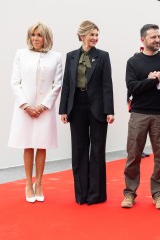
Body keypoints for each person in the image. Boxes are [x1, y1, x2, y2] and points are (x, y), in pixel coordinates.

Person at [59, 20, 114, 205]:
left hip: (98, 108)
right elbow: (67, 84)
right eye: (92, 35)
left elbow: (107, 85)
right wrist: (63, 110)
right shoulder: (71, 56)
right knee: (79, 150)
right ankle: (81, 194)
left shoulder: (103, 56)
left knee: (97, 150)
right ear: (82, 35)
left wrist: (109, 110)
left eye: (97, 35)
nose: (95, 38)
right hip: (77, 106)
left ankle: (96, 195)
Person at [8, 22, 63, 203]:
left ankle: (39, 183)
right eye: (33, 35)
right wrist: (25, 105)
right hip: (25, 109)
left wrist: (42, 106)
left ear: (46, 37)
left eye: (39, 35)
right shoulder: (21, 54)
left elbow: (57, 85)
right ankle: (28, 184)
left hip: (44, 110)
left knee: (42, 145)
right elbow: (15, 82)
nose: (36, 38)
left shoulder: (56, 57)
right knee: (27, 145)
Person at [121, 24, 160, 210]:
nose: (158, 40)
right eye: (153, 37)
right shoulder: (133, 62)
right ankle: (129, 193)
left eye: (159, 36)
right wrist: (150, 81)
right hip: (138, 114)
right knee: (133, 155)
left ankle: (159, 194)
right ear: (143, 40)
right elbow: (132, 87)